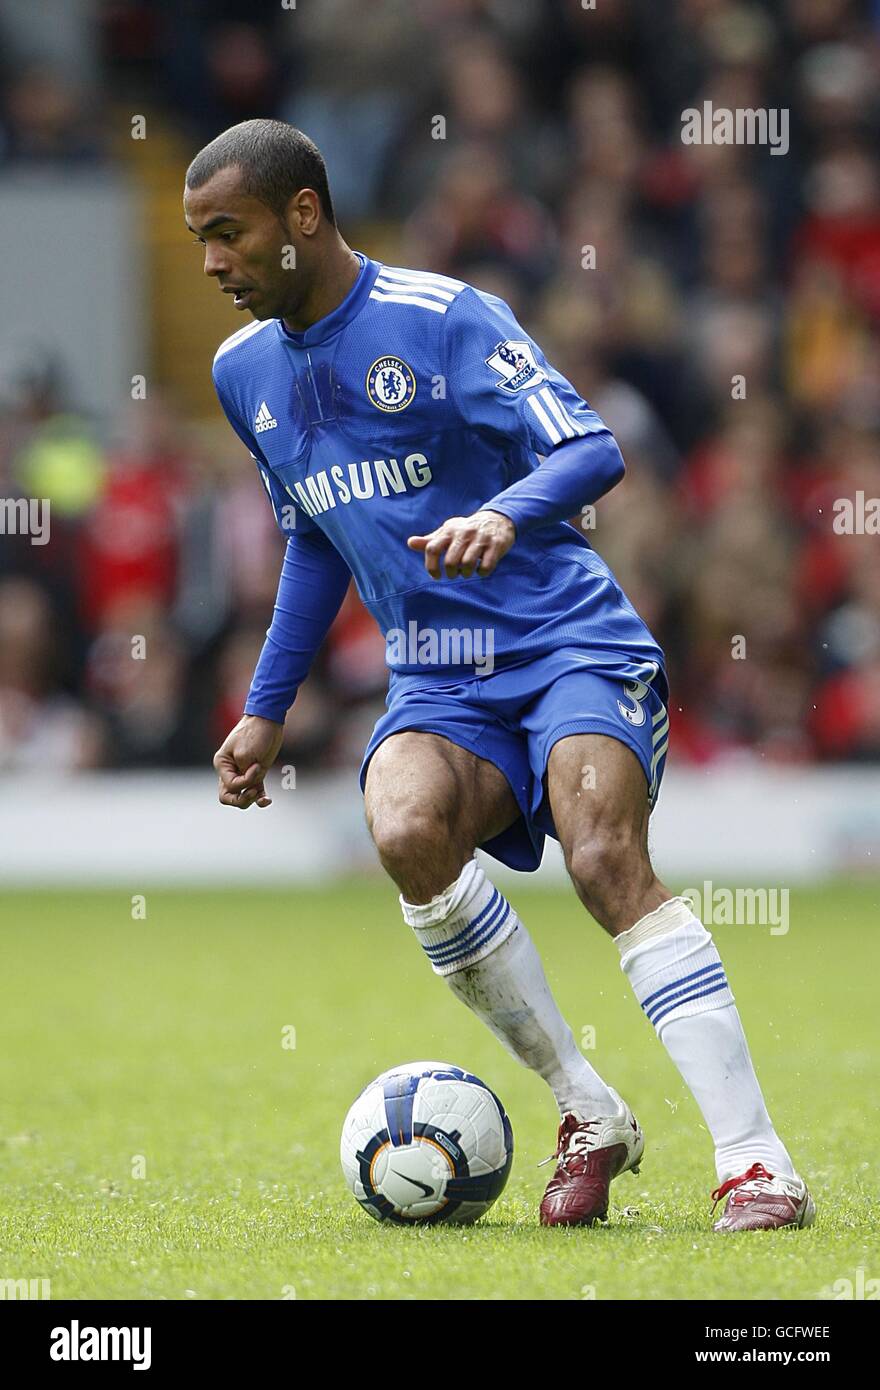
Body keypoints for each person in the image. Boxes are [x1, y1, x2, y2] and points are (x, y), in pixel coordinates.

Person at [185, 118, 813, 1230]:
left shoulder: (442, 318)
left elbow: (590, 446)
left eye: (227, 234)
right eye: (197, 241)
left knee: (602, 851)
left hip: (567, 639)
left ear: (303, 215)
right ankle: (588, 1107)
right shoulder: (244, 374)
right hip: (437, 678)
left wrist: (500, 512)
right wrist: (265, 712)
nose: (211, 264)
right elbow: (314, 535)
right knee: (403, 828)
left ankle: (754, 1162)